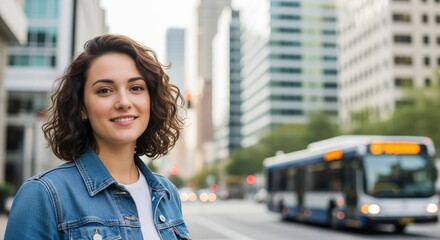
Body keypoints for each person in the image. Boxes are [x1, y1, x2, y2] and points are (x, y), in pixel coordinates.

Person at [5, 34, 191, 239]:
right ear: (82, 108)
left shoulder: (167, 193)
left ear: (151, 100)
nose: (124, 102)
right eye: (104, 90)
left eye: (136, 88)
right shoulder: (43, 195)